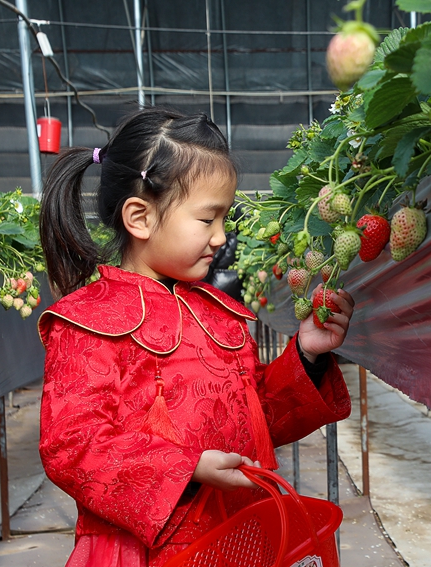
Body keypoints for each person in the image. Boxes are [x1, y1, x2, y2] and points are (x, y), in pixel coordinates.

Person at [37, 106, 354, 566]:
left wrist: (307, 356)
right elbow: (72, 446)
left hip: (238, 534)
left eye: (224, 219)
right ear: (140, 218)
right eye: (208, 220)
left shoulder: (217, 315)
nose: (221, 238)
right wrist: (186, 468)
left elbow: (255, 419)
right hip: (147, 551)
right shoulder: (86, 323)